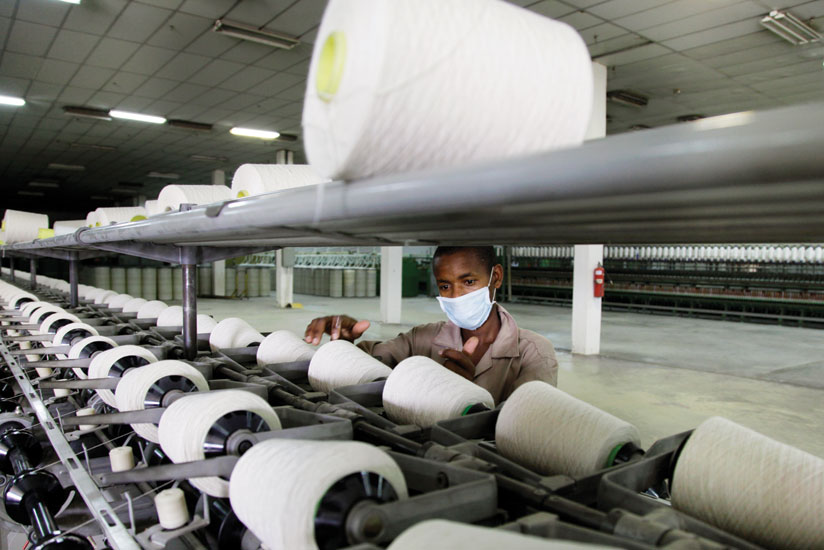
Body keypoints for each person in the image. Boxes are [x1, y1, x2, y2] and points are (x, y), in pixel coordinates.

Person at [304, 246, 557, 403]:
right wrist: (345, 346)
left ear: (496, 277)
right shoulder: (421, 339)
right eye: (445, 286)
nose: (456, 296)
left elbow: (526, 426)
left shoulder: (533, 353)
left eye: (468, 282)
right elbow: (367, 367)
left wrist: (462, 395)